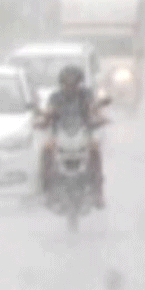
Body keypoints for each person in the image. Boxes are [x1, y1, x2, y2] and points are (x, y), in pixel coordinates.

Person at [40, 65, 105, 208]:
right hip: (59, 134)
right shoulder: (55, 97)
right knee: (46, 148)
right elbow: (48, 113)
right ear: (62, 84)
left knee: (95, 148)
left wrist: (99, 118)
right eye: (66, 83)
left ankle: (98, 191)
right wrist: (43, 121)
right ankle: (48, 189)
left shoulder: (86, 95)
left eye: (74, 83)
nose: (70, 87)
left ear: (79, 83)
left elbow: (94, 110)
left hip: (83, 133)